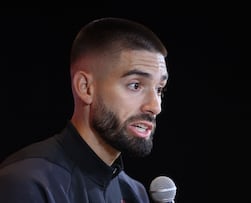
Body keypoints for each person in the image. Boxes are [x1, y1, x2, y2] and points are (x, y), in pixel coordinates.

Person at [0, 17, 169, 203]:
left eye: (159, 89)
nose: (155, 107)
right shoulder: (26, 183)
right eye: (135, 85)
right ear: (85, 87)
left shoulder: (135, 193)